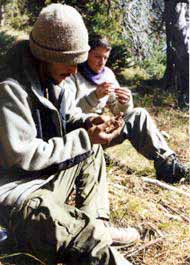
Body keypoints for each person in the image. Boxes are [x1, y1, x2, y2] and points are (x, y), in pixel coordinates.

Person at [0, 4, 139, 265]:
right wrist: (86, 137)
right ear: (45, 55)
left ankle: (97, 224)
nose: (74, 71)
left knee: (91, 149)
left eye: (77, 62)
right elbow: (23, 155)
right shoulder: (10, 89)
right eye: (68, 62)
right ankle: (89, 235)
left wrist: (90, 122)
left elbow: (68, 118)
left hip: (43, 178)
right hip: (17, 197)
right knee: (85, 241)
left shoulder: (55, 79)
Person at [64, 34, 189, 184]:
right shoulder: (72, 73)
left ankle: (169, 166)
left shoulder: (107, 75)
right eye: (97, 56)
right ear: (86, 53)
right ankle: (90, 154)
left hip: (102, 131)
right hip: (79, 134)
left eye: (105, 58)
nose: (101, 62)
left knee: (139, 114)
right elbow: (67, 113)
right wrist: (94, 97)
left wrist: (125, 101)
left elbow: (118, 111)